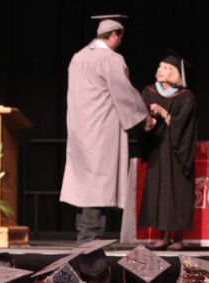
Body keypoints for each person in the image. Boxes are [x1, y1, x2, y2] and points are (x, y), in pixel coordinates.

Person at [60, 15, 148, 243]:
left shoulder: (78, 57)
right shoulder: (110, 59)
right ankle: (89, 238)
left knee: (85, 184)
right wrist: (143, 116)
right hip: (101, 128)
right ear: (115, 35)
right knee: (98, 182)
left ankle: (84, 233)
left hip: (80, 129)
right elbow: (124, 92)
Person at [138, 53, 197, 250]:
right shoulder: (148, 92)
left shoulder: (185, 97)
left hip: (178, 152)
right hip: (157, 149)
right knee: (159, 191)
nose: (159, 70)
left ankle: (178, 237)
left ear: (173, 72)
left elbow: (184, 126)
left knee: (178, 191)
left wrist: (163, 112)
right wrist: (148, 123)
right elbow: (143, 124)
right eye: (159, 66)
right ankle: (162, 235)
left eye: (164, 67)